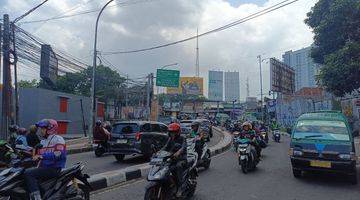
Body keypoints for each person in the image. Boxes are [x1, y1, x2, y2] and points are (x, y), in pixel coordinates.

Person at [24, 119, 67, 200]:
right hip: (44, 167)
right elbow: (37, 154)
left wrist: (42, 156)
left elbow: (58, 154)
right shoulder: (43, 141)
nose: (41, 131)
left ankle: (36, 198)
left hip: (54, 168)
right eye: (41, 129)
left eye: (43, 129)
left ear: (51, 129)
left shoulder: (58, 139)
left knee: (29, 173)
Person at [162, 123, 187, 197]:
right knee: (166, 168)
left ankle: (180, 187)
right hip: (172, 158)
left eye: (174, 132)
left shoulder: (182, 138)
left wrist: (178, 152)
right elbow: (165, 147)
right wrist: (158, 153)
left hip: (181, 159)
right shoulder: (170, 139)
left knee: (178, 167)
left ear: (178, 132)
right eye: (171, 132)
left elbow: (183, 147)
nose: (172, 134)